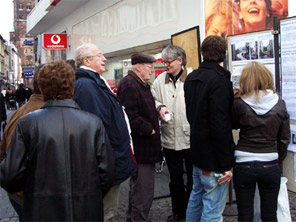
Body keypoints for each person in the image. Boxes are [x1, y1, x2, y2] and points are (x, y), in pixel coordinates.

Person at [0, 60, 115, 221]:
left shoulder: (27, 123)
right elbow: (107, 173)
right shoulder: (92, 122)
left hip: (41, 211)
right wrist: (88, 195)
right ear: (72, 87)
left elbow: (10, 175)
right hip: (85, 210)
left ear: (41, 88)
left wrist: (33, 194)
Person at [74, 43, 137, 222]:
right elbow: (96, 125)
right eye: (99, 55)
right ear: (86, 60)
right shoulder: (87, 85)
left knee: (108, 210)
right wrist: (107, 160)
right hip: (106, 161)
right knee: (105, 212)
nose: (104, 59)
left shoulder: (94, 82)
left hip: (110, 158)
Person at [231, 61, 290, 221]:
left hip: (243, 163)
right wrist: (278, 160)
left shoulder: (239, 104)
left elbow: (231, 124)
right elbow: (284, 139)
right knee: (270, 214)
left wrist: (235, 96)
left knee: (244, 214)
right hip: (270, 162)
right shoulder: (279, 103)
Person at [184, 35, 234, 222]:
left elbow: (194, 114)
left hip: (197, 152)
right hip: (214, 159)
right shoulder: (219, 80)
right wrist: (226, 165)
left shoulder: (191, 78)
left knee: (196, 198)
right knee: (212, 209)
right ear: (224, 54)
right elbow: (220, 125)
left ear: (202, 52)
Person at [117, 53, 161, 222]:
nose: (152, 70)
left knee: (138, 190)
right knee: (143, 191)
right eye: (149, 67)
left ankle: (133, 218)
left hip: (146, 148)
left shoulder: (140, 84)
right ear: (138, 67)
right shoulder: (130, 85)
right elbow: (129, 115)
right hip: (142, 148)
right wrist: (148, 129)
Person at [151, 45, 192, 222]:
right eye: (164, 62)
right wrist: (159, 106)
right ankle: (178, 212)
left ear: (180, 60)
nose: (165, 65)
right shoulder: (160, 80)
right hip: (169, 138)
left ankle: (191, 211)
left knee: (193, 178)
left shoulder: (192, 78)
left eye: (168, 62)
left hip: (190, 139)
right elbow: (153, 99)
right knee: (175, 179)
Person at [0, 65, 45, 221]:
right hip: (30, 197)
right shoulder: (36, 115)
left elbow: (3, 154)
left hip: (20, 195)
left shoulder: (21, 112)